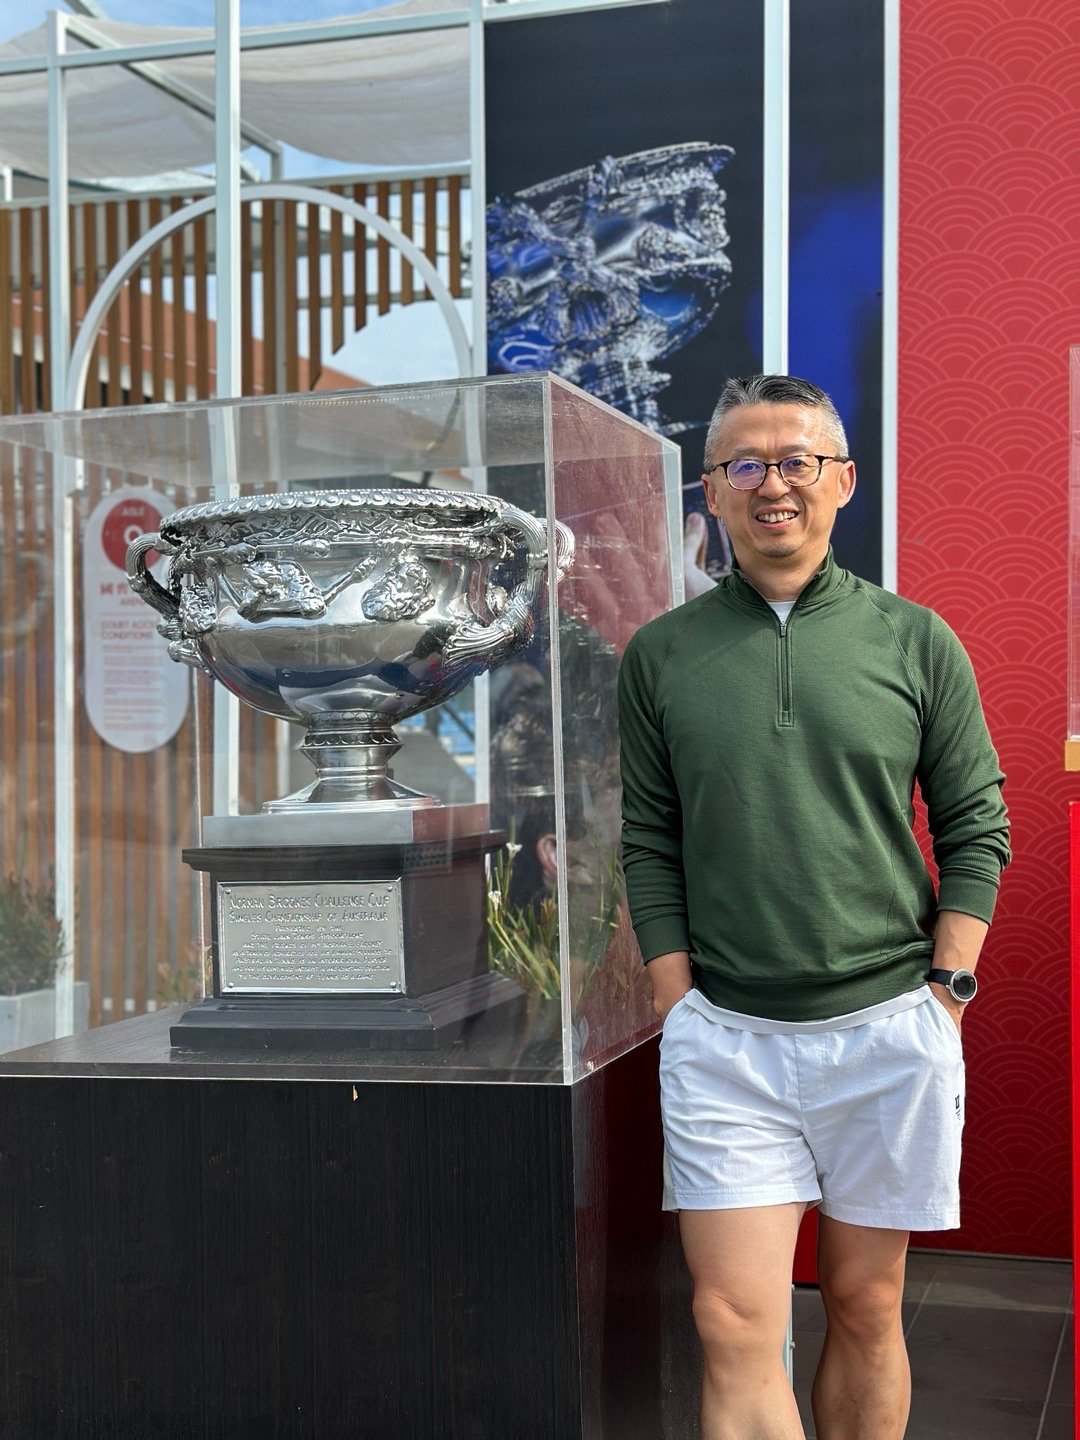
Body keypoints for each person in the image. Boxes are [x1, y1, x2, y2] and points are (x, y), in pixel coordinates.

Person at [617, 374, 1010, 1440]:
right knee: (730, 1319)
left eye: (797, 460)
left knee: (866, 1304)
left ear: (843, 481)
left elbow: (976, 823)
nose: (773, 484)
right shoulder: (662, 655)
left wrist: (948, 990)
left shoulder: (915, 640)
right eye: (745, 463)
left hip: (890, 1028)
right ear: (712, 491)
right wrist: (676, 998)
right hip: (728, 1040)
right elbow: (649, 837)